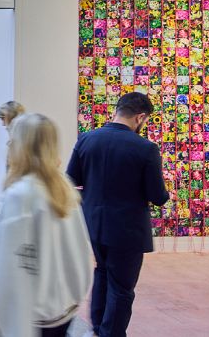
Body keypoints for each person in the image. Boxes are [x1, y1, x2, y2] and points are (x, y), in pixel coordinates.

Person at [66, 92, 169, 337]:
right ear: (140, 117)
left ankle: (97, 329)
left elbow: (71, 179)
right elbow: (157, 195)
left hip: (93, 225)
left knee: (102, 272)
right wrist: (166, 195)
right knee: (122, 288)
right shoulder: (146, 149)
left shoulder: (87, 139)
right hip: (127, 230)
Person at [0, 114, 92, 337]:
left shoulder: (21, 195)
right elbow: (80, 255)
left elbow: (8, 266)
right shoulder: (64, 189)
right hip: (60, 313)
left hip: (27, 319)